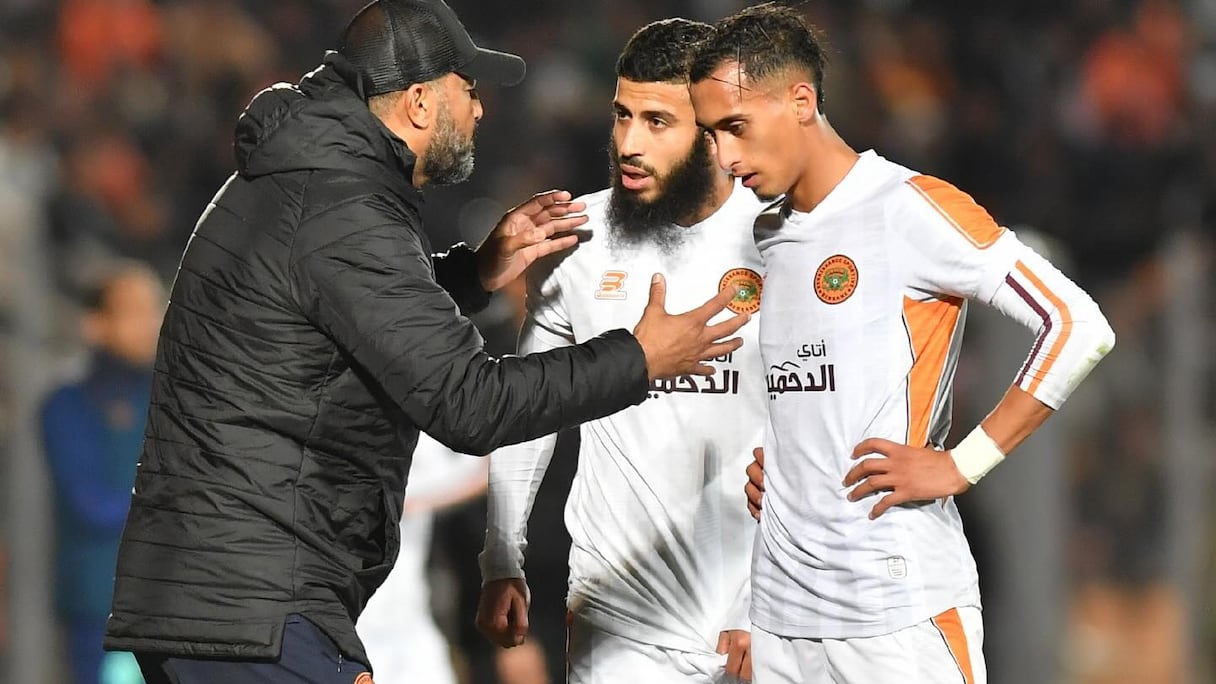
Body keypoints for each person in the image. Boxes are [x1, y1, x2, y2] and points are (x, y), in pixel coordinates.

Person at [103, 1, 752, 681]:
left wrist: (473, 274)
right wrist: (638, 358)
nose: (479, 110)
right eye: (467, 90)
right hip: (253, 606)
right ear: (418, 102)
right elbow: (470, 403)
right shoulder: (343, 206)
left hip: (223, 601)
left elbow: (333, 322)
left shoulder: (309, 179)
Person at [688, 5, 1116, 683]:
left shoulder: (907, 207)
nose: (724, 157)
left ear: (801, 101)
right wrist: (783, 462)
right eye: (711, 134)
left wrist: (961, 464)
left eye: (736, 127)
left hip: (896, 610)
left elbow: (1076, 323)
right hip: (781, 618)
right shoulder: (764, 235)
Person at [476, 18, 766, 684]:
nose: (630, 143)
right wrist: (501, 558)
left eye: (658, 122)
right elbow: (527, 410)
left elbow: (816, 428)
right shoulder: (576, 244)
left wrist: (768, 598)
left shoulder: (779, 240)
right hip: (616, 625)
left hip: (750, 621)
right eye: (622, 115)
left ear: (714, 129)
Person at [41, 263, 164, 684]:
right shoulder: (69, 404)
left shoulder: (174, 396)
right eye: (133, 310)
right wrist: (173, 503)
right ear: (95, 324)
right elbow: (89, 503)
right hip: (104, 609)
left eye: (154, 308)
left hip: (176, 604)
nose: (149, 322)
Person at [356, 433, 488, 684]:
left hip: (410, 620)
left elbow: (484, 470)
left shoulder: (423, 442)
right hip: (356, 623)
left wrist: (417, 501)